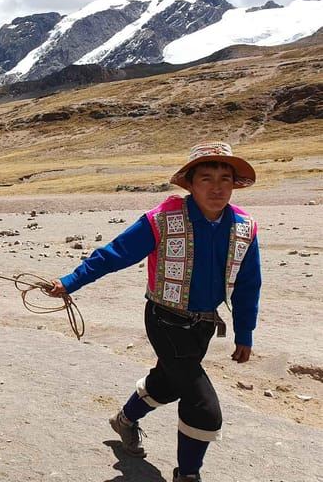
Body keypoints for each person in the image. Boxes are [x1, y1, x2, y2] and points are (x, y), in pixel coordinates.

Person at [47, 142, 261, 482]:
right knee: (202, 405)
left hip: (203, 326)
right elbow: (114, 254)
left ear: (235, 184)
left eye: (225, 178)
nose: (217, 187)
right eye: (206, 178)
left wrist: (245, 332)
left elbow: (250, 284)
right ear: (190, 184)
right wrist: (71, 281)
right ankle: (188, 474)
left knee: (169, 382)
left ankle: (125, 420)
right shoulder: (162, 220)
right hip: (164, 320)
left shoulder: (244, 228)